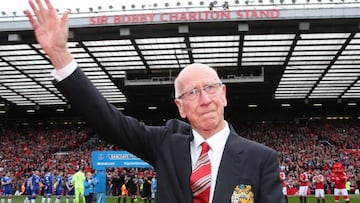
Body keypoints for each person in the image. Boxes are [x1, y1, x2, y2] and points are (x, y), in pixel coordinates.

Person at [25, 0, 284, 202]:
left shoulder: (261, 159)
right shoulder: (166, 144)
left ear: (224, 94)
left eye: (210, 88)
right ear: (180, 107)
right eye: (192, 93)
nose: (205, 99)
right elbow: (106, 120)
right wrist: (60, 55)